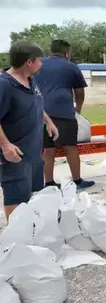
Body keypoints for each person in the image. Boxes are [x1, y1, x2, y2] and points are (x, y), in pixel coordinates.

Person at [0, 41, 59, 218]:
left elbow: (36, 104)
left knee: (33, 195)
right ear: (29, 62)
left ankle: (30, 231)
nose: (41, 64)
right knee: (15, 198)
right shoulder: (5, 85)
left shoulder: (31, 81)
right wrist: (5, 145)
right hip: (15, 155)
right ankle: (17, 238)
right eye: (39, 60)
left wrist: (49, 122)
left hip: (33, 153)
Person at [34, 39, 94, 190]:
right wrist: (78, 110)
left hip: (42, 113)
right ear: (67, 52)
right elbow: (79, 92)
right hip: (64, 113)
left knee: (48, 150)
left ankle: (48, 182)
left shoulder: (38, 65)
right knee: (70, 147)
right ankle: (77, 180)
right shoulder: (71, 67)